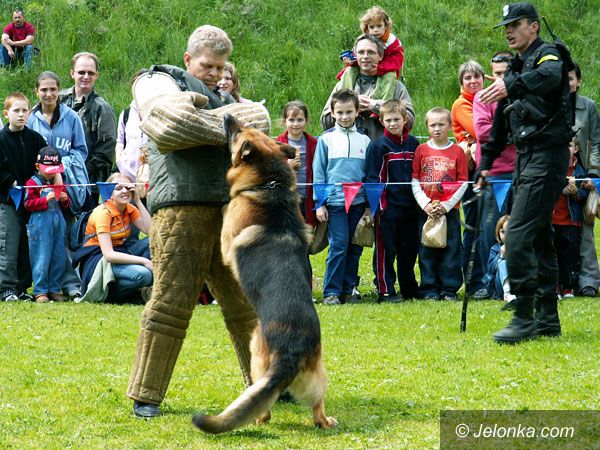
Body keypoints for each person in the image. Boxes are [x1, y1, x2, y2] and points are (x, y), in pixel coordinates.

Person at [127, 25, 258, 418]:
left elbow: (261, 121)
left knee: (245, 304)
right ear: (188, 59)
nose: (215, 74)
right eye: (207, 65)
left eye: (221, 67)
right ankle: (146, 394)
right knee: (170, 301)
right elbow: (170, 127)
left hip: (227, 210)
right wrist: (231, 126)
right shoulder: (156, 81)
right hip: (178, 210)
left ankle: (266, 381)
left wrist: (207, 117)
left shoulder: (222, 96)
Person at [478, 2, 574, 343]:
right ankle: (547, 319)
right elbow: (500, 123)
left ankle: (523, 316)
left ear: (533, 26)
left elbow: (551, 77)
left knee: (517, 235)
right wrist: (485, 165)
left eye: (515, 24)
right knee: (540, 237)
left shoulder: (548, 55)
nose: (509, 30)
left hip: (547, 155)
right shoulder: (516, 69)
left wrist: (511, 85)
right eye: (506, 26)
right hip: (525, 156)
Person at [27, 71, 90, 300]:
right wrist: (43, 170)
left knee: (66, 236)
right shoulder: (31, 119)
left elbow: (81, 151)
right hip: (38, 185)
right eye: (44, 89)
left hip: (66, 184)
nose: (49, 94)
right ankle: (41, 287)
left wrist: (57, 167)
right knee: (41, 239)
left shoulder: (72, 117)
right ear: (37, 91)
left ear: (59, 90)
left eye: (53, 89)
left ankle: (68, 284)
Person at [313, 89, 371, 305]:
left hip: (358, 201)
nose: (345, 117)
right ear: (332, 113)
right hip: (335, 202)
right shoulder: (326, 139)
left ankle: (349, 288)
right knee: (338, 244)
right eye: (340, 112)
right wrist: (320, 203)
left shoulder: (365, 140)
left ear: (357, 112)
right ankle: (331, 291)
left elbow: (369, 175)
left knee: (355, 245)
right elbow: (319, 173)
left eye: (349, 112)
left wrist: (368, 206)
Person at [365, 99, 419, 302]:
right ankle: (385, 289)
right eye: (388, 120)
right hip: (388, 208)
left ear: (405, 119)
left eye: (397, 119)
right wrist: (378, 207)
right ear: (382, 122)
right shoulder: (378, 146)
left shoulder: (414, 143)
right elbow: (373, 179)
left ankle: (409, 287)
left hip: (410, 207)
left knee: (409, 249)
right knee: (386, 250)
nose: (393, 123)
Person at [411, 107, 468, 300]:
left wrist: (446, 205)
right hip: (426, 210)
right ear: (427, 127)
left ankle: (449, 289)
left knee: (451, 250)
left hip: (449, 210)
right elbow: (414, 180)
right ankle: (429, 289)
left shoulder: (457, 151)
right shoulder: (421, 150)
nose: (437, 129)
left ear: (450, 126)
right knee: (426, 250)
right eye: (433, 125)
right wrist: (425, 204)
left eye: (441, 124)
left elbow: (463, 182)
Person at [473, 51, 516, 293]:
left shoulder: (524, 96)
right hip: (492, 174)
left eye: (505, 74)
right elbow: (482, 133)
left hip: (519, 171)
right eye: (496, 73)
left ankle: (517, 282)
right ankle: (489, 283)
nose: (500, 79)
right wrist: (514, 134)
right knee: (489, 230)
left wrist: (502, 133)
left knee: (519, 229)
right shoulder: (483, 97)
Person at [74, 173, 152, 303]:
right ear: (109, 193)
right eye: (118, 188)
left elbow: (150, 231)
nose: (124, 191)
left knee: (152, 242)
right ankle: (109, 294)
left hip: (120, 250)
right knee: (144, 275)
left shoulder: (129, 208)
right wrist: (144, 261)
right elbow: (109, 255)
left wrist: (138, 200)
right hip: (98, 259)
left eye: (128, 187)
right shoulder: (103, 213)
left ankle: (135, 288)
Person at [321, 33, 415, 140]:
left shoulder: (396, 86)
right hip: (349, 147)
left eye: (371, 52)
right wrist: (349, 105)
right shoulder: (342, 85)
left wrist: (377, 106)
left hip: (383, 147)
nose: (365, 56)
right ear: (355, 55)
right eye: (361, 52)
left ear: (380, 56)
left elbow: (409, 122)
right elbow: (325, 123)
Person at [0, 92, 46, 302]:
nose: (20, 114)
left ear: (29, 113)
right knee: (8, 243)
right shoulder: (1, 139)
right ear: (6, 113)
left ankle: (21, 287)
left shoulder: (35, 139)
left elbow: (45, 163)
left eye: (24, 110)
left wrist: (37, 182)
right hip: (7, 201)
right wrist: (12, 182)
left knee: (27, 244)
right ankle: (6, 287)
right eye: (16, 110)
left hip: (31, 200)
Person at [61, 52, 117, 207]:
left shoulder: (102, 109)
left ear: (96, 75)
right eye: (81, 72)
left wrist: (76, 171)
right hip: (54, 179)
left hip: (87, 182)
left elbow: (105, 151)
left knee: (85, 222)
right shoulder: (57, 99)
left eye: (90, 73)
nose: (86, 76)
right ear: (72, 73)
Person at [451, 60, 486, 298]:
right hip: (472, 171)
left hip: (491, 167)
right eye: (468, 78)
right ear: (461, 82)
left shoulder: (487, 100)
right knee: (474, 225)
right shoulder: (461, 104)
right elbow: (479, 130)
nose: (473, 81)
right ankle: (474, 282)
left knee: (492, 226)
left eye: (477, 77)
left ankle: (491, 278)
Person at [568, 62, 600, 297]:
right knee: (562, 229)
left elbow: (596, 142)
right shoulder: (549, 105)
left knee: (586, 229)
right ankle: (565, 280)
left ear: (578, 81)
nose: (567, 83)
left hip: (584, 173)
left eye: (571, 78)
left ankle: (588, 280)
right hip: (559, 173)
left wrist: (594, 174)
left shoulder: (589, 106)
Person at [24, 147, 70, 303]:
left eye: (54, 171)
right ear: (38, 166)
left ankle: (55, 289)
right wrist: (45, 200)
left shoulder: (58, 182)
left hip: (58, 222)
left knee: (59, 256)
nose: (51, 174)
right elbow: (28, 204)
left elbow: (65, 204)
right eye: (48, 170)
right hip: (40, 223)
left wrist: (64, 200)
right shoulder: (32, 183)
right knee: (41, 256)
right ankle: (40, 291)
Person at [337, 6, 404, 89]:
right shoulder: (364, 40)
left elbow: (396, 61)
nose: (376, 30)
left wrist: (380, 69)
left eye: (379, 26)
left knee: (389, 77)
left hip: (385, 69)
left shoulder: (392, 41)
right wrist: (351, 62)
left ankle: (383, 97)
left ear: (386, 26)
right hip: (365, 68)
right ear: (367, 29)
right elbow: (358, 56)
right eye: (372, 27)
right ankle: (345, 94)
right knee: (349, 71)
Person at [552, 139, 587, 299]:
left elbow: (584, 194)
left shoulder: (579, 170)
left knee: (570, 257)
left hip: (571, 221)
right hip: (552, 221)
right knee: (552, 256)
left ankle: (568, 287)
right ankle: (554, 287)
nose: (566, 148)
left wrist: (575, 192)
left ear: (576, 148)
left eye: (570, 145)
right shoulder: (551, 166)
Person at [276, 100, 318, 226]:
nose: (295, 124)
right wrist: (287, 166)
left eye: (300, 120)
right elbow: (271, 173)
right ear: (285, 121)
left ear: (306, 121)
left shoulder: (314, 143)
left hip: (307, 197)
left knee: (306, 230)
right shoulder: (277, 144)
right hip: (286, 198)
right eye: (291, 120)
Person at [115, 69, 149, 184]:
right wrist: (120, 161)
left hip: (151, 177)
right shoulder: (126, 114)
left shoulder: (159, 113)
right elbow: (120, 141)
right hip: (127, 177)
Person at [482, 215, 516, 302]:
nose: (506, 235)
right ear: (498, 233)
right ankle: (507, 293)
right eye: (503, 232)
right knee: (503, 263)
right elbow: (490, 270)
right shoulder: (495, 249)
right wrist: (500, 256)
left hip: (517, 283)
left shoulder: (519, 247)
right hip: (500, 286)